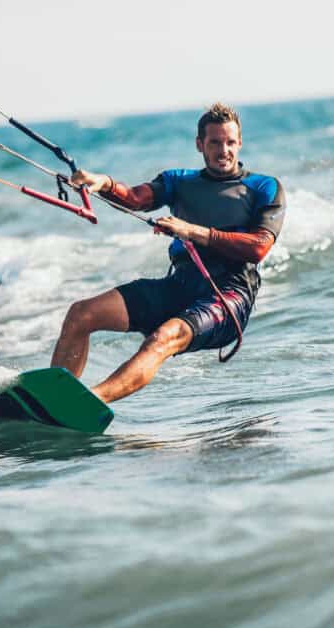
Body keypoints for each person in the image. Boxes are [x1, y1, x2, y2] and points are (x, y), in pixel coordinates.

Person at [53, 102, 286, 403]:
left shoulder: (263, 186)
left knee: (162, 338)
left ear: (240, 142)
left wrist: (193, 231)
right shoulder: (179, 181)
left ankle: (87, 402)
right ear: (200, 144)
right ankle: (53, 398)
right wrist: (104, 183)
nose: (223, 150)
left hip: (228, 295)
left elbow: (258, 247)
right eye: (214, 143)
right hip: (181, 285)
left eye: (230, 142)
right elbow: (135, 198)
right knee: (81, 314)